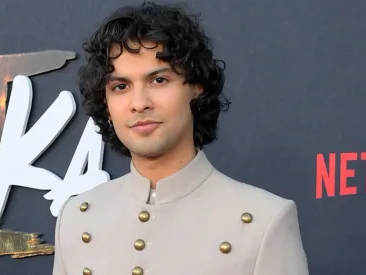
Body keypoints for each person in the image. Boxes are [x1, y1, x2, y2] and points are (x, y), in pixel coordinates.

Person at [52, 2, 308, 275]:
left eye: (159, 80)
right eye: (121, 86)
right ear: (106, 104)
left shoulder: (264, 221)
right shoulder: (77, 217)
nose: (139, 103)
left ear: (196, 87)